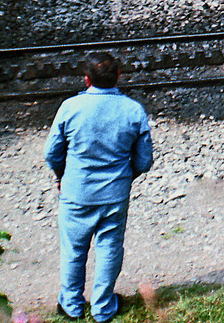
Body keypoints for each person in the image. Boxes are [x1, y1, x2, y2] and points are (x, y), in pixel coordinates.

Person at [46, 52, 154, 323]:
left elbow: (51, 153)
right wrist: (126, 177)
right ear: (118, 76)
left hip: (76, 192)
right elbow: (144, 160)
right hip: (114, 195)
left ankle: (71, 305)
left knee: (73, 249)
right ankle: (103, 307)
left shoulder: (69, 108)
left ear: (86, 80)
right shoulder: (133, 110)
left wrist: (62, 176)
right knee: (109, 247)